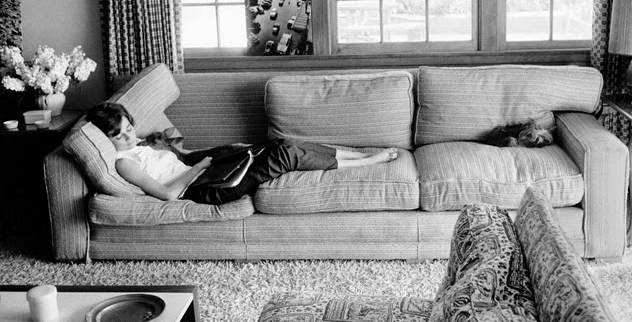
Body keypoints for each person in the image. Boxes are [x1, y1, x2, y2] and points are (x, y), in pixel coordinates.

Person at [86, 102, 398, 205]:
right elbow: (167, 194)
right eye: (118, 135)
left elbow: (178, 157)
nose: (128, 136)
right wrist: (200, 167)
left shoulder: (138, 143)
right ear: (106, 138)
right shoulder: (125, 163)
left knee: (280, 143)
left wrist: (209, 156)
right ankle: (366, 161)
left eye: (128, 127)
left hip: (202, 169)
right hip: (204, 188)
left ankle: (356, 155)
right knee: (285, 155)